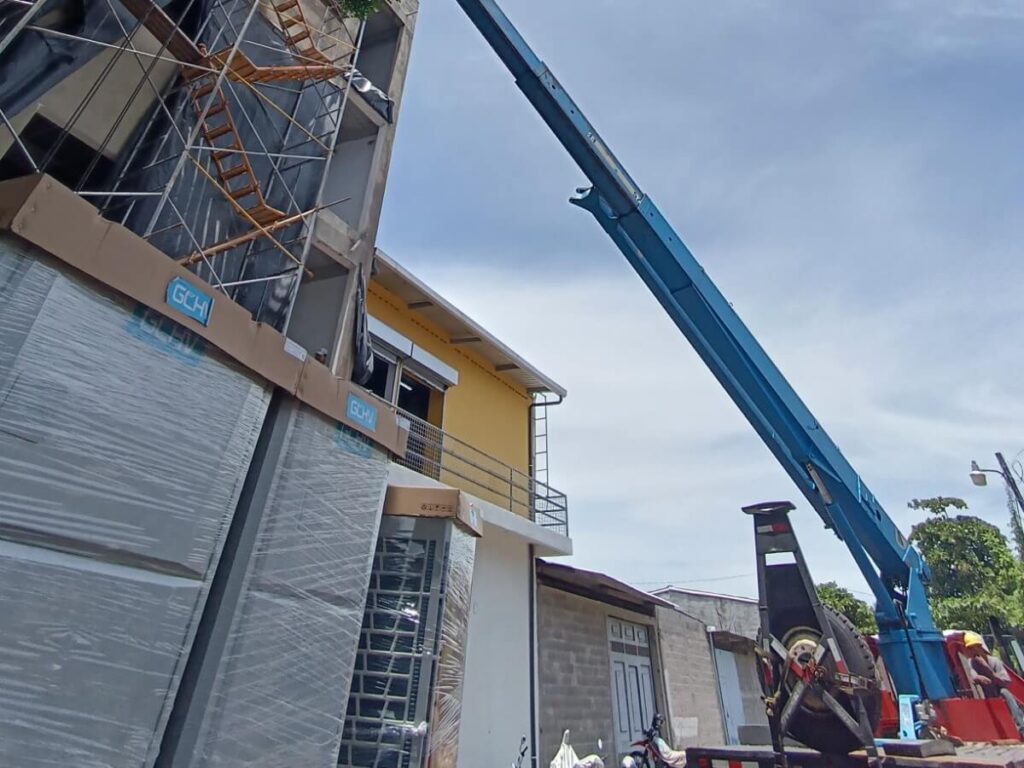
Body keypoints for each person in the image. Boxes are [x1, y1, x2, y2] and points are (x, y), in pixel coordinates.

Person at [964, 631, 1024, 737]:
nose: (973, 651)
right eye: (970, 649)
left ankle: (1021, 728)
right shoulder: (971, 662)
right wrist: (978, 677)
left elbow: (1006, 682)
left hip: (999, 690)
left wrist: (988, 670)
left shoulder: (995, 662)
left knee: (1005, 693)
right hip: (986, 693)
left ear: (981, 648)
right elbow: (973, 675)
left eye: (975, 648)